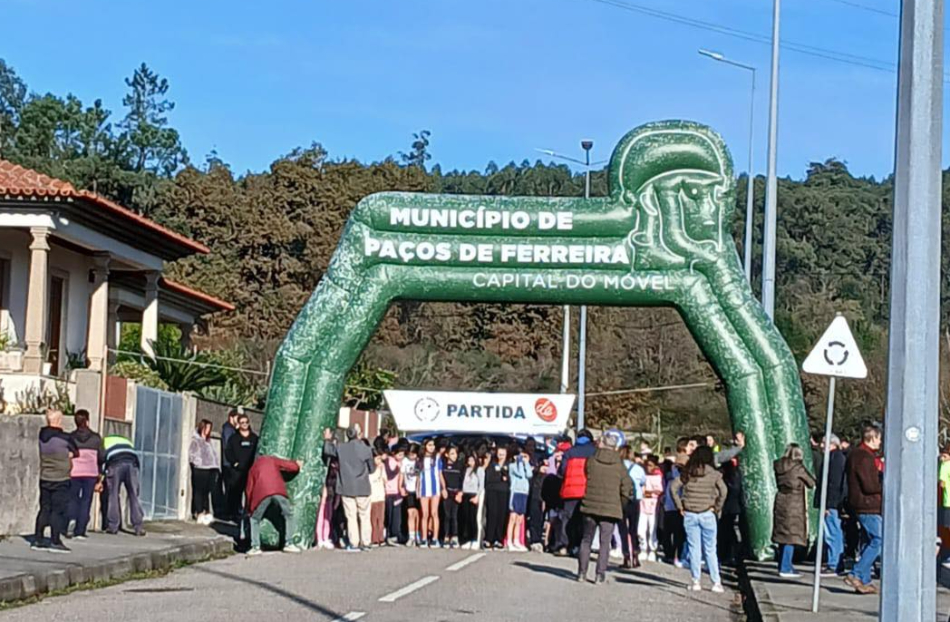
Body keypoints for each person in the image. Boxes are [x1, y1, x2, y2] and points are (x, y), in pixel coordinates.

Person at [576, 432, 632, 583]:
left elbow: (586, 474)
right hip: (611, 508)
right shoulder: (619, 465)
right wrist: (620, 503)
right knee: (605, 542)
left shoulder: (591, 460)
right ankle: (599, 575)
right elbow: (627, 487)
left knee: (586, 540)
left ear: (602, 444)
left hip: (590, 505)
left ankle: (581, 573)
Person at [671, 446, 727, 593]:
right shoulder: (714, 474)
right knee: (710, 549)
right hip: (707, 513)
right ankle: (716, 582)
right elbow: (724, 491)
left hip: (690, 513)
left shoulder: (687, 472)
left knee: (694, 548)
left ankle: (696, 581)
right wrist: (717, 507)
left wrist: (679, 506)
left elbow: (673, 487)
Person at [322, 426, 376, 551]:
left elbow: (328, 450)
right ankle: (366, 542)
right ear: (359, 434)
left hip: (346, 486)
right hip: (362, 487)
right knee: (364, 516)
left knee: (351, 516)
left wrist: (327, 439)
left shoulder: (341, 448)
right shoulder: (366, 449)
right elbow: (372, 469)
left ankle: (354, 542)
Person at [32, 409, 78, 553]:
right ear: (58, 421)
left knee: (44, 508)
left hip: (45, 477)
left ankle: (38, 539)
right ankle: (55, 541)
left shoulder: (42, 436)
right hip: (61, 478)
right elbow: (76, 451)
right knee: (57, 510)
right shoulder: (64, 438)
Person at [845, 425, 883, 594]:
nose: (880, 442)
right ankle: (856, 573)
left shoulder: (856, 454)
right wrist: (884, 483)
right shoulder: (864, 457)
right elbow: (870, 485)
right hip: (868, 504)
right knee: (878, 539)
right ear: (872, 438)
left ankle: (864, 581)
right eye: (879, 438)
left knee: (868, 541)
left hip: (860, 503)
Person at [772, 443, 816, 578]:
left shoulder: (778, 465)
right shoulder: (798, 468)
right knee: (791, 536)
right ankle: (786, 567)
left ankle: (783, 564)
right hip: (794, 504)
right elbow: (811, 482)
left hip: (781, 501)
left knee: (783, 535)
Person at [245, 455, 303, 555]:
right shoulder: (272, 460)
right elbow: (289, 466)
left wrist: (249, 507)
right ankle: (289, 543)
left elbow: (249, 489)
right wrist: (297, 465)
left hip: (261, 494)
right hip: (278, 490)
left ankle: (255, 547)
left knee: (254, 519)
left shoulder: (253, 468)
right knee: (288, 514)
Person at [556, 430, 597, 555]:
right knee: (584, 520)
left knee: (567, 519)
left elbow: (562, 471)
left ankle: (564, 546)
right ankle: (580, 547)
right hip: (587, 491)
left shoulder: (569, 452)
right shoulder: (594, 452)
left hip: (570, 491)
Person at [815, 434, 848, 576]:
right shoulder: (834, 458)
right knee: (832, 532)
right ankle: (834, 562)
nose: (821, 446)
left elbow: (833, 483)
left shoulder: (835, 459)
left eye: (824, 443)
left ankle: (834, 563)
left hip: (831, 503)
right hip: (831, 502)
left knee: (832, 533)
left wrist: (828, 504)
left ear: (832, 444)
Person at [102, 433, 146, 536]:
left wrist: (103, 474)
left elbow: (101, 459)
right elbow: (136, 459)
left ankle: (113, 526)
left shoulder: (103, 442)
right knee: (133, 496)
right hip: (132, 463)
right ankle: (138, 527)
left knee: (113, 495)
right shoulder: (126, 441)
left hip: (115, 464)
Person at [68, 409, 102, 540]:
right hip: (90, 473)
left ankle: (71, 519)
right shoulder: (96, 438)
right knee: (86, 501)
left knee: (73, 498)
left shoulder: (71, 437)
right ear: (87, 421)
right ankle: (80, 530)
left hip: (74, 472)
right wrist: (100, 474)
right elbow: (102, 456)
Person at [224, 413, 258, 522]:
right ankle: (233, 514)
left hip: (250, 470)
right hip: (237, 472)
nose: (244, 424)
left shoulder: (254, 438)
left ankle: (248, 513)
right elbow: (228, 452)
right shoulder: (234, 438)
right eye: (242, 422)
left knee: (251, 493)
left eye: (246, 422)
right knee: (235, 493)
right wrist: (234, 463)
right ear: (238, 424)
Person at [189, 419, 220, 525]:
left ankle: (206, 510)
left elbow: (213, 454)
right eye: (207, 428)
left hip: (210, 468)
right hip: (200, 468)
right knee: (199, 491)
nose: (208, 430)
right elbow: (192, 454)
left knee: (207, 491)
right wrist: (198, 462)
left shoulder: (209, 441)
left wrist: (215, 465)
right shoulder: (196, 440)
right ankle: (199, 511)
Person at [619, 446, 645, 568]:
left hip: (621, 499)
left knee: (623, 529)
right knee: (634, 528)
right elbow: (643, 482)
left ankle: (626, 556)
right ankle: (635, 554)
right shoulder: (638, 468)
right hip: (635, 500)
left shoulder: (618, 467)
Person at [417, 438, 445, 548]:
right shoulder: (420, 459)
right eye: (429, 445)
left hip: (435, 489)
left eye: (433, 445)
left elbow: (440, 474)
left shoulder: (437, 458)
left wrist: (443, 488)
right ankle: (424, 538)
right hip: (424, 489)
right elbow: (418, 476)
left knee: (434, 513)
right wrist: (417, 489)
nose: (432, 447)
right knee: (425, 514)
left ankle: (435, 538)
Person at [507, 444, 533, 552]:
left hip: (524, 492)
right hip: (516, 492)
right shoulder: (512, 466)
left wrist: (526, 463)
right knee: (513, 517)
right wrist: (519, 462)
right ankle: (509, 541)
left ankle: (516, 540)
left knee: (520, 518)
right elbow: (520, 474)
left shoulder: (525, 465)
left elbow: (529, 475)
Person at [484, 445, 510, 550]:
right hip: (492, 491)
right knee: (492, 514)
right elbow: (488, 478)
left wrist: (505, 477)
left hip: (504, 491)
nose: (501, 456)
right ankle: (489, 538)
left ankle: (499, 539)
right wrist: (499, 476)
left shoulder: (509, 465)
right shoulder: (492, 464)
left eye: (503, 454)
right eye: (499, 454)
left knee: (501, 515)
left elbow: (509, 478)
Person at [640, 454, 664, 562]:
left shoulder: (658, 477)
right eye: (647, 465)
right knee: (641, 529)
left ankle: (652, 550)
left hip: (653, 506)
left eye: (650, 465)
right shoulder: (643, 476)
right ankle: (643, 548)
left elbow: (659, 491)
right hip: (642, 505)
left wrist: (649, 493)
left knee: (652, 529)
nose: (648, 467)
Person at [460, 452, 484, 549]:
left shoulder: (479, 470)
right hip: (465, 494)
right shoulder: (466, 470)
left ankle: (474, 539)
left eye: (472, 460)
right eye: (469, 460)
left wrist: (477, 496)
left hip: (474, 494)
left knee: (473, 518)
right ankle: (467, 539)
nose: (470, 462)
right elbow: (463, 483)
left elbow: (481, 484)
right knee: (466, 518)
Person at [383, 442, 405, 546]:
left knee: (397, 515)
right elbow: (389, 474)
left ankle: (395, 535)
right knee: (390, 515)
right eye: (399, 455)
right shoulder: (389, 461)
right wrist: (398, 469)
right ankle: (390, 535)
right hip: (389, 492)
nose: (401, 457)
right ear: (393, 453)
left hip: (397, 492)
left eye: (402, 455)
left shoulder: (400, 462)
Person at [442, 445, 464, 548]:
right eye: (452, 454)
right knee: (447, 515)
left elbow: (462, 481)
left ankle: (455, 536)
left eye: (455, 453)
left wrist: (460, 493)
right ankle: (446, 536)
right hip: (447, 493)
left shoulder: (459, 466)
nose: (454, 456)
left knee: (454, 515)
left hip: (456, 493)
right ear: (447, 455)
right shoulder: (443, 466)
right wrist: (443, 489)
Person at [221, 409, 240, 519]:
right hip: (229, 463)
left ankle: (232, 511)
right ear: (231, 417)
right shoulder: (228, 429)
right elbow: (229, 444)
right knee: (230, 488)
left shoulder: (231, 429)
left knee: (233, 488)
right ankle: (229, 512)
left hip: (231, 463)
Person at [401, 443, 421, 546]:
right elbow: (402, 474)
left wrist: (418, 490)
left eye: (413, 454)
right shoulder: (405, 461)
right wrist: (401, 486)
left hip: (418, 491)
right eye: (409, 454)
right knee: (410, 513)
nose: (411, 456)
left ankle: (418, 534)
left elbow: (418, 477)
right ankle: (411, 536)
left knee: (417, 513)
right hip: (409, 489)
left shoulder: (418, 462)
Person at [369, 451, 387, 546]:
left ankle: (381, 537)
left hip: (381, 496)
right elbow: (371, 480)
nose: (379, 461)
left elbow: (385, 479)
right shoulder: (369, 470)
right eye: (377, 459)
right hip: (372, 497)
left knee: (381, 518)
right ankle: (374, 538)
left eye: (380, 459)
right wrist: (378, 470)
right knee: (373, 519)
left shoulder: (382, 468)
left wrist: (382, 470)